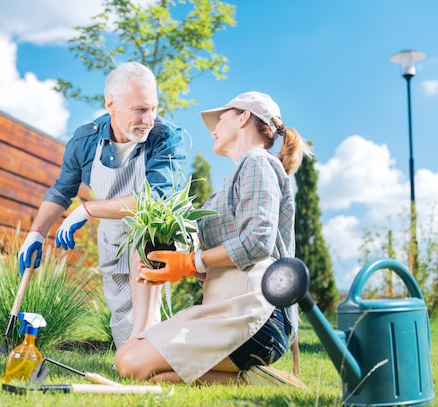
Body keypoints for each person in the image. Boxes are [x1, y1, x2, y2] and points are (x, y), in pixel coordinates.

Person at [114, 91, 312, 385]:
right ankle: (253, 377)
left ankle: (251, 376)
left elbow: (258, 241)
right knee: (135, 361)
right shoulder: (232, 180)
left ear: (244, 117)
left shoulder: (258, 163)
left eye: (221, 118)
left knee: (131, 364)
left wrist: (190, 261)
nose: (214, 129)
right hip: (226, 307)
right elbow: (226, 261)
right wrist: (183, 267)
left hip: (257, 313)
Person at [18, 62, 187, 348]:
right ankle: (136, 362)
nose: (149, 119)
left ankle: (160, 357)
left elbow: (153, 199)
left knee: (149, 324)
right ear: (111, 104)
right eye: (139, 110)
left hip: (153, 242)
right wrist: (36, 233)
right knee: (125, 334)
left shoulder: (167, 138)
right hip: (112, 240)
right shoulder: (85, 140)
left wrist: (87, 209)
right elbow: (62, 191)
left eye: (153, 109)